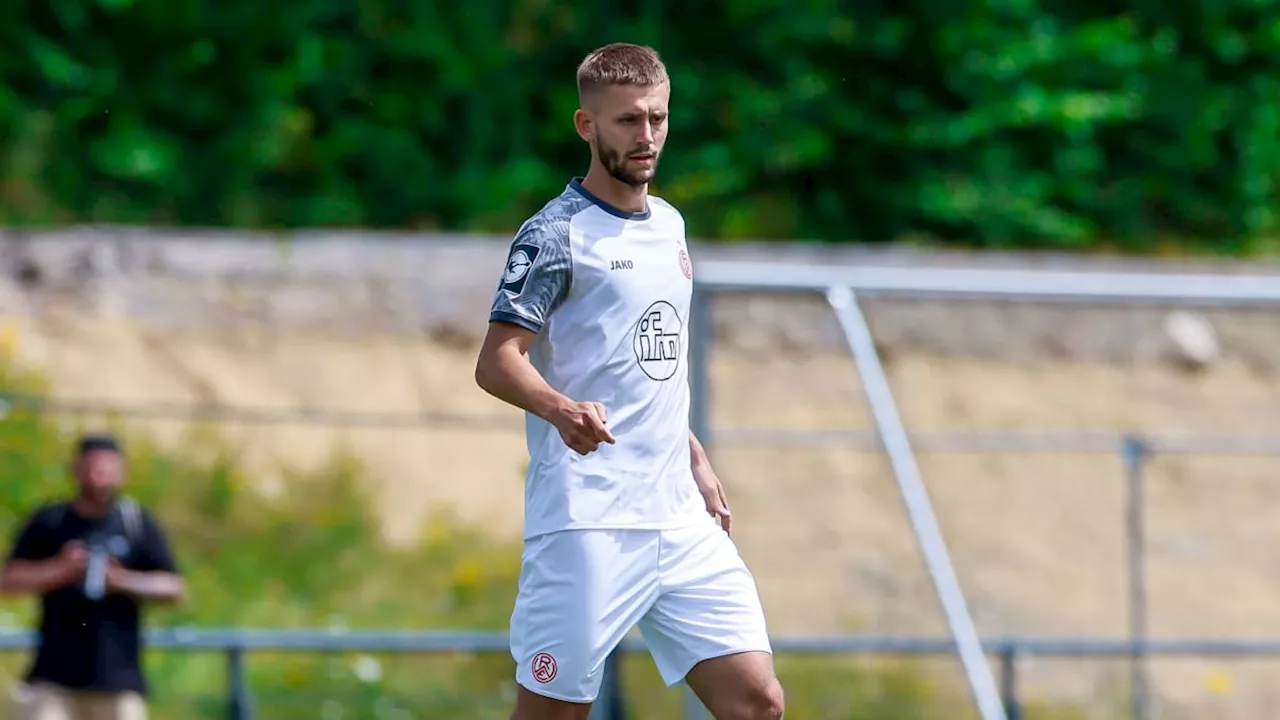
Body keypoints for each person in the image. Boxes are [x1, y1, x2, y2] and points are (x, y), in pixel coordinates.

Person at [474, 43, 785, 720]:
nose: (646, 136)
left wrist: (693, 455)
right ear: (586, 126)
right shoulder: (554, 235)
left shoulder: (670, 224)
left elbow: (646, 368)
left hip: (676, 518)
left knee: (756, 703)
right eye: (626, 121)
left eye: (657, 118)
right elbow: (496, 359)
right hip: (590, 519)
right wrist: (560, 410)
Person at [0, 433, 185, 720]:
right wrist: (60, 570)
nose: (99, 477)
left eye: (107, 468)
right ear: (76, 470)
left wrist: (120, 580)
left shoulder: (135, 522)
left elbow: (173, 587)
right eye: (92, 467)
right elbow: (8, 580)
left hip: (118, 681)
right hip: (54, 680)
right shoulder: (52, 520)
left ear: (122, 472)